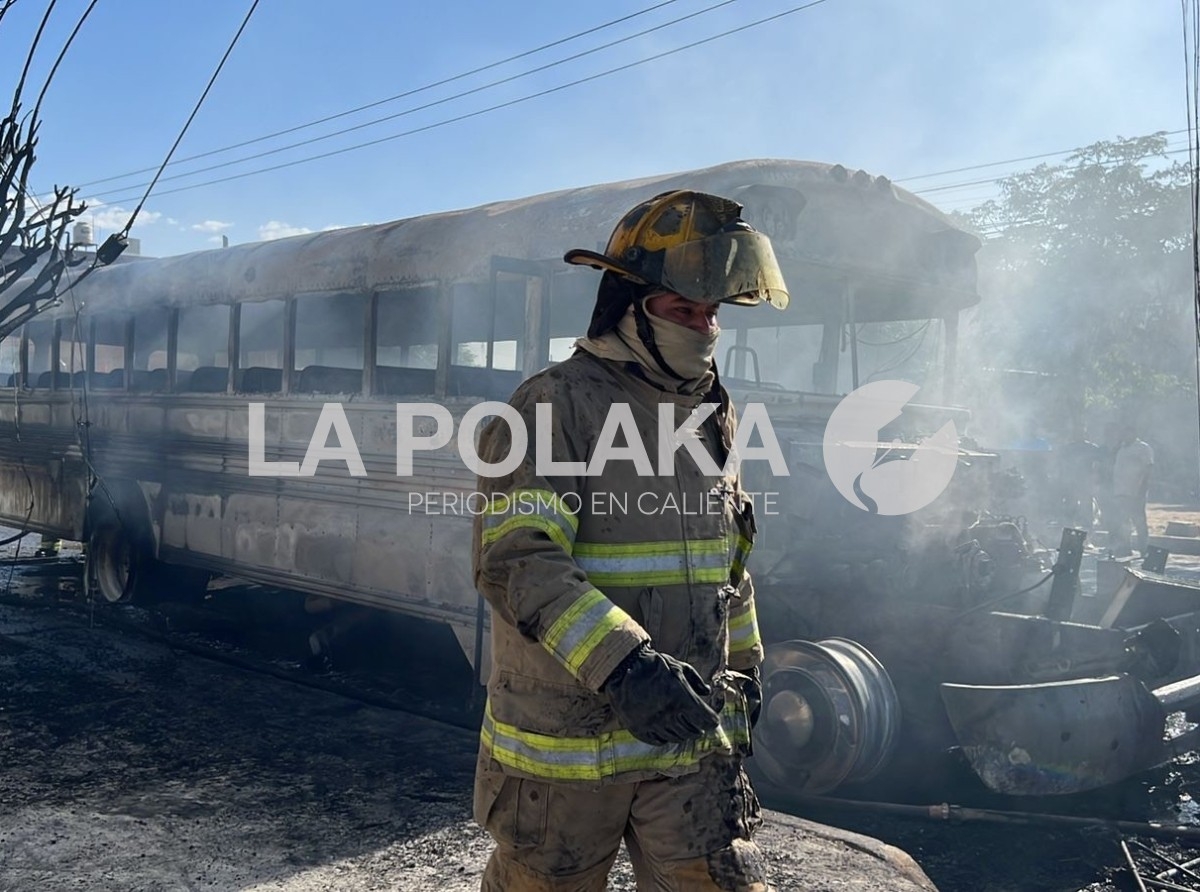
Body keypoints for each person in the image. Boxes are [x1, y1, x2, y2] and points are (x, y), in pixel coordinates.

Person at [470, 190, 789, 891]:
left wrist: (748, 663)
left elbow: (726, 564)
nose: (704, 327)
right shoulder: (555, 404)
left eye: (712, 313)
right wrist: (627, 666)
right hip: (567, 751)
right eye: (685, 309)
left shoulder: (710, 414)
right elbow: (520, 560)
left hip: (689, 742)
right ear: (630, 307)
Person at [1109, 422, 1154, 557]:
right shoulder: (1121, 449)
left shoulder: (1142, 448)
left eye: (1126, 433)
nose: (1123, 436)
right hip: (1120, 492)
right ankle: (1125, 548)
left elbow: (1148, 468)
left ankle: (1144, 549)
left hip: (1136, 492)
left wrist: (1142, 489)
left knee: (1139, 521)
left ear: (1134, 433)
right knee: (1123, 522)